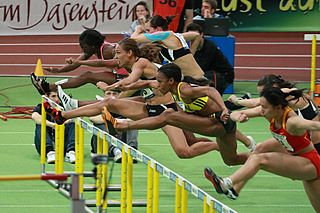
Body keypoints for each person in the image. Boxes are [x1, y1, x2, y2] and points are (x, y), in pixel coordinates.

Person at [43, 39, 219, 159]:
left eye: (118, 53)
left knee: (185, 149)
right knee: (108, 103)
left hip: (167, 110)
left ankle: (219, 145)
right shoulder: (125, 62)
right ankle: (64, 115)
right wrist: (80, 63)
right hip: (149, 105)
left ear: (129, 53)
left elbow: (130, 80)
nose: (115, 56)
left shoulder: (140, 62)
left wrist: (110, 87)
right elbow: (102, 64)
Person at [105, 63, 251, 165]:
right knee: (232, 160)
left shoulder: (184, 90)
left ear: (171, 80)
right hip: (214, 123)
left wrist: (224, 108)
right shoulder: (168, 87)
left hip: (220, 123)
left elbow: (210, 90)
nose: (158, 84)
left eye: (160, 81)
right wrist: (124, 86)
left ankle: (124, 126)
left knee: (168, 115)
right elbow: (146, 83)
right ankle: (260, 157)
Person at [204, 86, 320, 212]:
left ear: (277, 107)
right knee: (259, 150)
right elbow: (234, 114)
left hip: (309, 162)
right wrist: (237, 117)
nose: (261, 110)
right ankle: (234, 189)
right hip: (292, 153)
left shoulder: (293, 122)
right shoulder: (269, 112)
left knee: (259, 159)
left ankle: (225, 183)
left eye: (264, 107)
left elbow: (314, 125)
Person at [228, 74, 320, 155]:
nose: (262, 96)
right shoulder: (288, 94)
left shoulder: (286, 94)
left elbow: (256, 103)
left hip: (314, 141)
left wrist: (236, 101)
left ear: (274, 87)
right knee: (260, 150)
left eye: (263, 93)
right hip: (304, 137)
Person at [31, 29, 127, 96]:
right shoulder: (94, 49)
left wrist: (80, 62)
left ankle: (49, 87)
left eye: (83, 46)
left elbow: (103, 63)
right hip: (118, 76)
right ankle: (49, 87)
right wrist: (58, 70)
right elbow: (76, 63)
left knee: (88, 76)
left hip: (126, 78)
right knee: (87, 75)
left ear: (92, 46)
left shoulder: (109, 50)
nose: (82, 49)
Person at [131, 15, 208, 84]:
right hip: (190, 81)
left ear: (158, 29)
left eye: (148, 30)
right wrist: (189, 54)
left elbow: (133, 40)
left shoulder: (162, 35)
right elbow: (196, 35)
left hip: (197, 82)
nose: (147, 33)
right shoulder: (173, 36)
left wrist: (138, 29)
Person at [186, 23, 233, 95]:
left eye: (196, 36)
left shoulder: (210, 47)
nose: (193, 38)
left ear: (201, 34)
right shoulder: (189, 47)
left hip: (222, 75)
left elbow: (201, 67)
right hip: (209, 74)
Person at [31, 91, 75, 164]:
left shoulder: (66, 107)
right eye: (53, 96)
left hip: (62, 144)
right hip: (44, 146)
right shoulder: (41, 107)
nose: (57, 99)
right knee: (40, 123)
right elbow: (34, 116)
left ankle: (71, 152)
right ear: (47, 98)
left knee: (73, 122)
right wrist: (53, 125)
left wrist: (66, 121)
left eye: (58, 96)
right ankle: (50, 152)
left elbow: (79, 117)